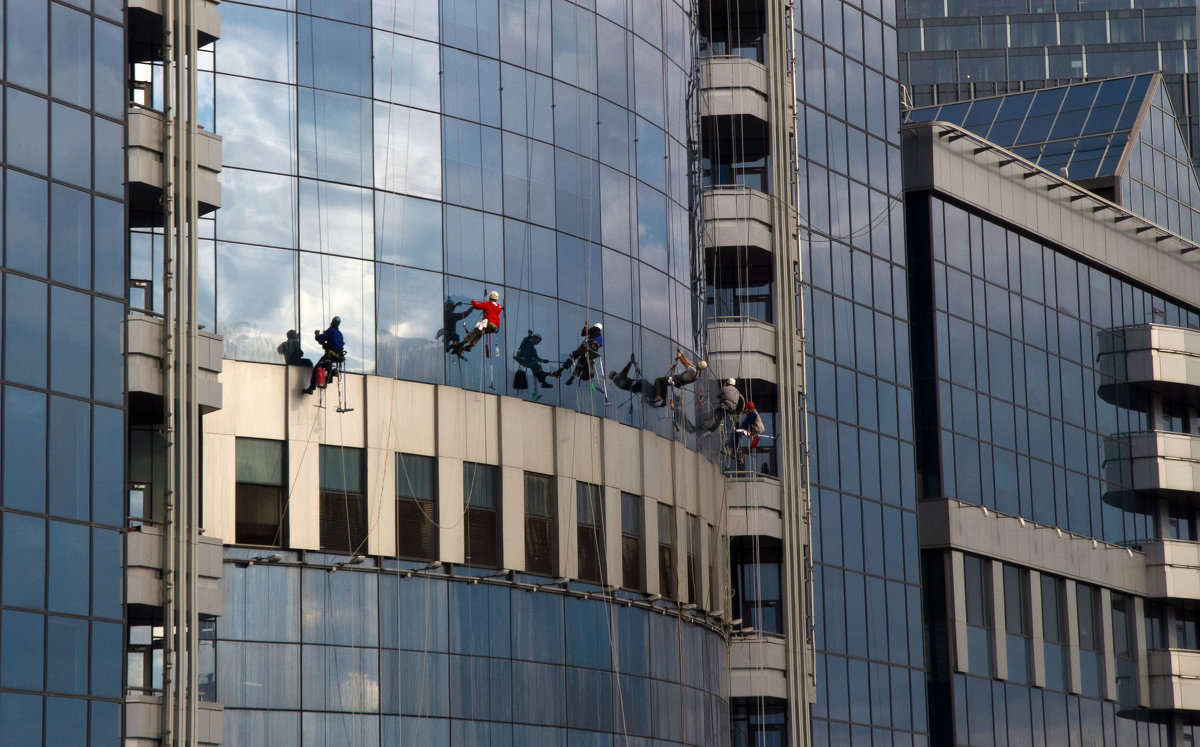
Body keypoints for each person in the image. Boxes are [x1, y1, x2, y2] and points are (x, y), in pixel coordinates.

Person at [302, 316, 345, 394]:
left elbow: (321, 339)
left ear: (332, 322)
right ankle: (329, 375)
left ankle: (311, 388)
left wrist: (317, 334)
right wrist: (326, 344)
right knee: (327, 364)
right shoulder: (340, 333)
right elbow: (335, 343)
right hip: (338, 356)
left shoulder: (330, 330)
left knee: (317, 368)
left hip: (330, 355)